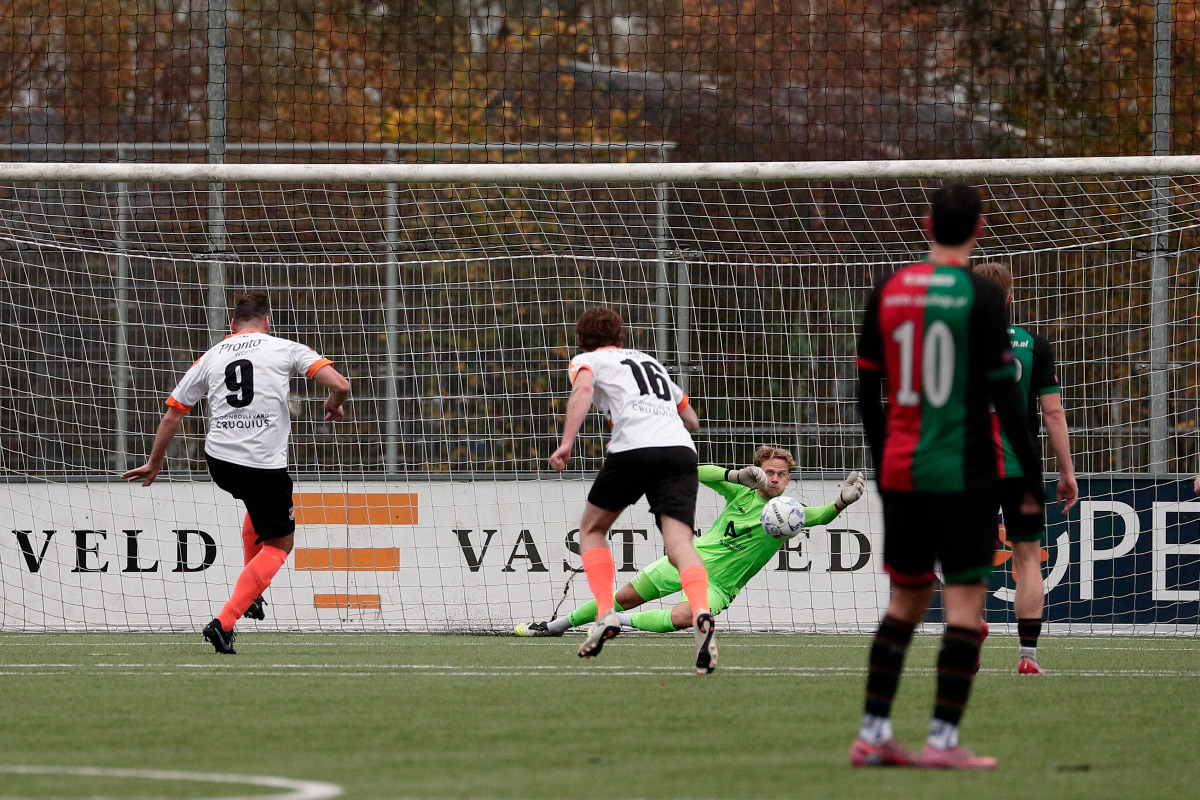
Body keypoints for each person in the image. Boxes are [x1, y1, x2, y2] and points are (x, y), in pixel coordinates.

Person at [851, 181, 1045, 770]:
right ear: (979, 229)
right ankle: (941, 741)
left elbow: (866, 390)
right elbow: (1007, 400)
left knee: (905, 601)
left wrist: (882, 461)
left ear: (927, 224)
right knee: (963, 604)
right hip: (964, 469)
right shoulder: (981, 296)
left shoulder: (888, 288)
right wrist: (1030, 477)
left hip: (902, 468)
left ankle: (873, 734)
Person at [121, 291, 350, 655]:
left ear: (232, 325)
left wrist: (154, 462)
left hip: (220, 463)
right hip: (262, 465)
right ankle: (223, 623)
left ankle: (252, 594)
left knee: (256, 509)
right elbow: (341, 385)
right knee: (280, 544)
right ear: (267, 322)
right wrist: (333, 404)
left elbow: (172, 415)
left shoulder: (212, 356)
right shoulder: (286, 348)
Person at [516, 446, 865, 637]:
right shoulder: (740, 491)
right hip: (686, 560)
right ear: (759, 472)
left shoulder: (790, 514)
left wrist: (841, 501)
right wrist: (735, 475)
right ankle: (556, 625)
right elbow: (692, 472)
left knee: (686, 617)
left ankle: (619, 622)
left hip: (719, 586)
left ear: (788, 479)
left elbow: (820, 516)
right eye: (769, 472)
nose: (774, 478)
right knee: (622, 596)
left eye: (781, 474)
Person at [548, 306, 716, 674]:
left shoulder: (587, 361)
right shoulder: (649, 362)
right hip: (680, 451)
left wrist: (566, 443)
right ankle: (701, 610)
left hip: (633, 449)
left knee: (592, 530)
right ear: (619, 336)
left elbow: (584, 389)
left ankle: (606, 612)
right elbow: (691, 420)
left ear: (582, 339)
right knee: (680, 545)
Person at [974, 262, 1079, 675]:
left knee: (968, 559)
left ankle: (969, 629)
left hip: (971, 469)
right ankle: (1027, 656)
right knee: (1028, 558)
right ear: (1010, 298)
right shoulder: (1034, 344)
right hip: (1022, 469)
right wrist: (1066, 472)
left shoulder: (956, 342)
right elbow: (1053, 413)